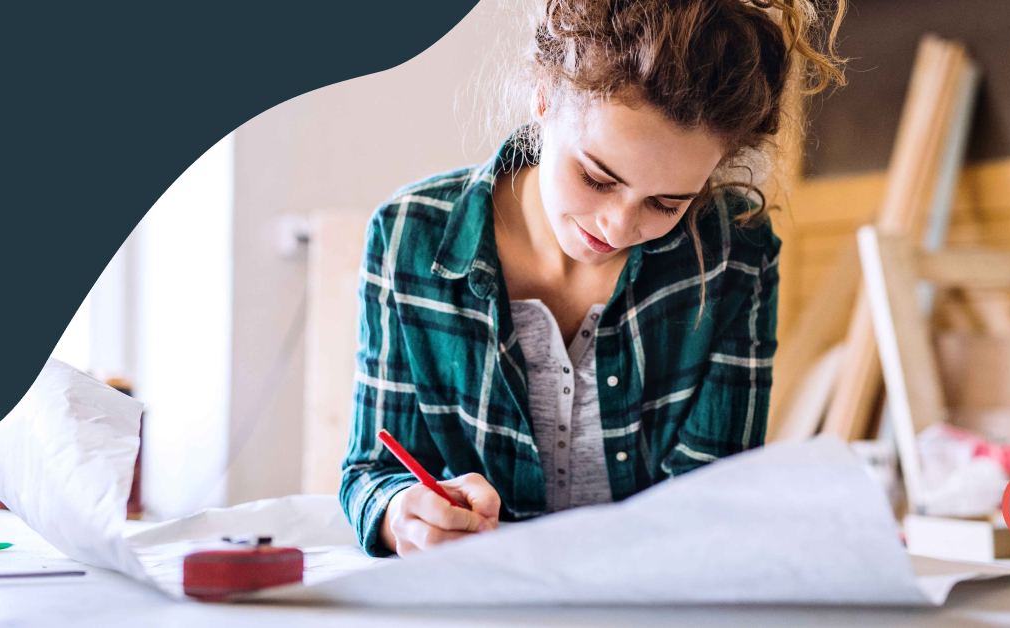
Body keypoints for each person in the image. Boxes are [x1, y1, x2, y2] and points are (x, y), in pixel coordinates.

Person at [341, 0, 845, 557]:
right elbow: (372, 471)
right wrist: (403, 514)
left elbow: (713, 497)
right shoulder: (408, 237)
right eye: (597, 178)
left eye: (665, 202)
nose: (619, 226)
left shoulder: (735, 254)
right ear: (543, 100)